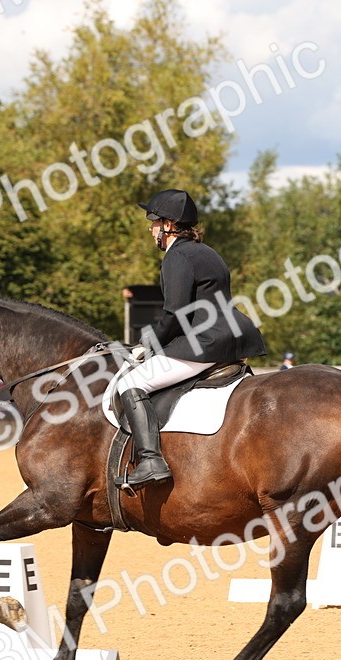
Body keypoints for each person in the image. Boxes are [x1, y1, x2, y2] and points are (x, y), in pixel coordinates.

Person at [114, 188, 266, 489]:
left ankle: (150, 462)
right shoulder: (207, 252)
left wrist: (147, 344)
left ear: (169, 225)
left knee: (129, 383)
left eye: (154, 221)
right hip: (233, 337)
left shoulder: (178, 257)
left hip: (207, 342)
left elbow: (174, 314)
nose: (151, 228)